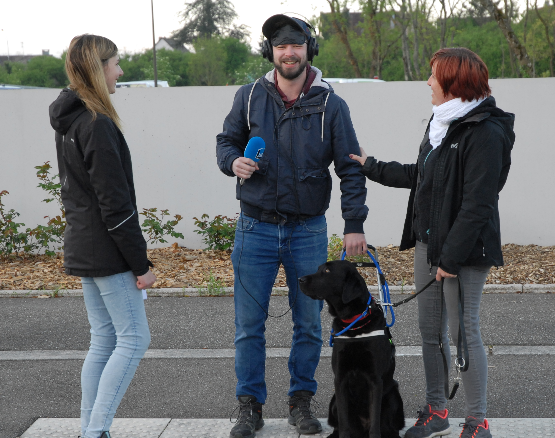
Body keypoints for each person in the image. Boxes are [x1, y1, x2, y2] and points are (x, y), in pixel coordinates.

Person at [216, 13, 369, 438]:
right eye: (281, 46)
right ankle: (249, 406)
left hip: (307, 231)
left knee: (308, 323)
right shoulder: (249, 97)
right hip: (255, 229)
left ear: (308, 50)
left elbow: (351, 168)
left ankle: (301, 401)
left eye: (296, 45)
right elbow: (225, 141)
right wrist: (233, 161)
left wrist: (353, 222)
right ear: (271, 52)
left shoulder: (331, 105)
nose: (288, 52)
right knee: (248, 326)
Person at [350, 47, 515, 438]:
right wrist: (371, 167)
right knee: (429, 331)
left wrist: (450, 259)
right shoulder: (440, 123)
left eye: (434, 75)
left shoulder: (486, 132)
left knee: (463, 332)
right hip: (429, 244)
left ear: (454, 81)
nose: (427, 82)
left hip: (465, 252)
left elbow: (478, 204)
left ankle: (477, 422)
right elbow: (422, 175)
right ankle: (437, 411)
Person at [49, 34, 156, 438]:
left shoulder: (71, 120)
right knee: (133, 339)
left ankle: (91, 429)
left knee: (104, 340)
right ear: (99, 68)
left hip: (84, 244)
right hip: (106, 250)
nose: (120, 71)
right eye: (115, 63)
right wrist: (140, 264)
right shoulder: (96, 124)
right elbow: (116, 206)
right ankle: (95, 432)